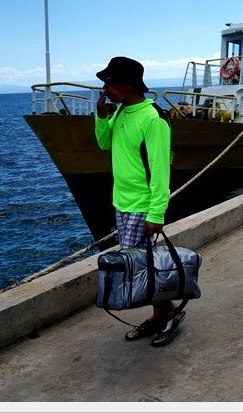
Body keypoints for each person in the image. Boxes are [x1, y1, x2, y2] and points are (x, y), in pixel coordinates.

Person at [95, 56, 184, 347]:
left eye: (109, 82)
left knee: (143, 269)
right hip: (122, 203)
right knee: (141, 267)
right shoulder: (120, 111)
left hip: (142, 206)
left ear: (129, 84)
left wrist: (156, 213)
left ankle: (166, 314)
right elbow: (104, 143)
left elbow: (161, 170)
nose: (105, 88)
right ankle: (162, 314)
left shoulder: (152, 118)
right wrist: (101, 115)